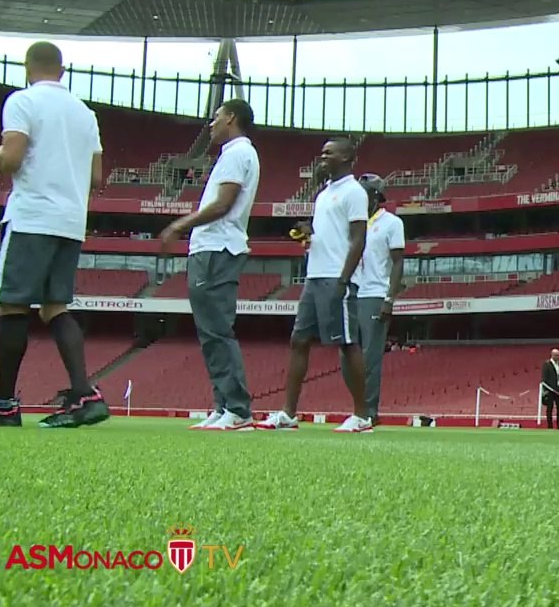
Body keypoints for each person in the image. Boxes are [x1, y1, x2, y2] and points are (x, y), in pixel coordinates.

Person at [0, 41, 109, 429]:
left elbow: (12, 159)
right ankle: (85, 395)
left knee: (13, 305)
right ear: (62, 70)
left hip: (32, 217)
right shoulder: (85, 113)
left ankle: (4, 404)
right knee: (56, 306)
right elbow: (95, 177)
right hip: (70, 221)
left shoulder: (22, 101)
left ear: (28, 68)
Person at [256, 139, 371, 433]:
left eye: (329, 153)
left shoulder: (354, 192)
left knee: (347, 343)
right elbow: (329, 233)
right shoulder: (323, 194)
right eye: (322, 152)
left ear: (346, 157)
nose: (322, 157)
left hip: (337, 276)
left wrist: (344, 279)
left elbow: (358, 238)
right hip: (314, 275)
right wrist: (309, 232)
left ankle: (362, 416)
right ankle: (288, 414)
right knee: (299, 340)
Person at [159, 99, 260, 432]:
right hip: (213, 248)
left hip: (218, 248)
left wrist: (179, 224)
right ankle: (224, 405)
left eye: (216, 118)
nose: (210, 124)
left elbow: (222, 205)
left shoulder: (237, 153)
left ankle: (237, 408)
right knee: (210, 333)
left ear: (230, 118)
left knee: (216, 331)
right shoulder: (234, 153)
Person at [340, 173, 404, 427]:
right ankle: (358, 408)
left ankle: (368, 412)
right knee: (346, 355)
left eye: (363, 192)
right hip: (351, 292)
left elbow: (398, 262)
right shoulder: (352, 222)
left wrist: (390, 298)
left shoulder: (392, 223)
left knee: (370, 357)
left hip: (375, 294)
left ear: (375, 196)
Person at [541, 349, 559, 430]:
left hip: (558, 390)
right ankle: (550, 426)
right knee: (549, 408)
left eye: (558, 355)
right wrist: (546, 389)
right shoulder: (547, 364)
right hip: (550, 390)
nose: (557, 357)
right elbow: (544, 378)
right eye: (556, 355)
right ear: (552, 355)